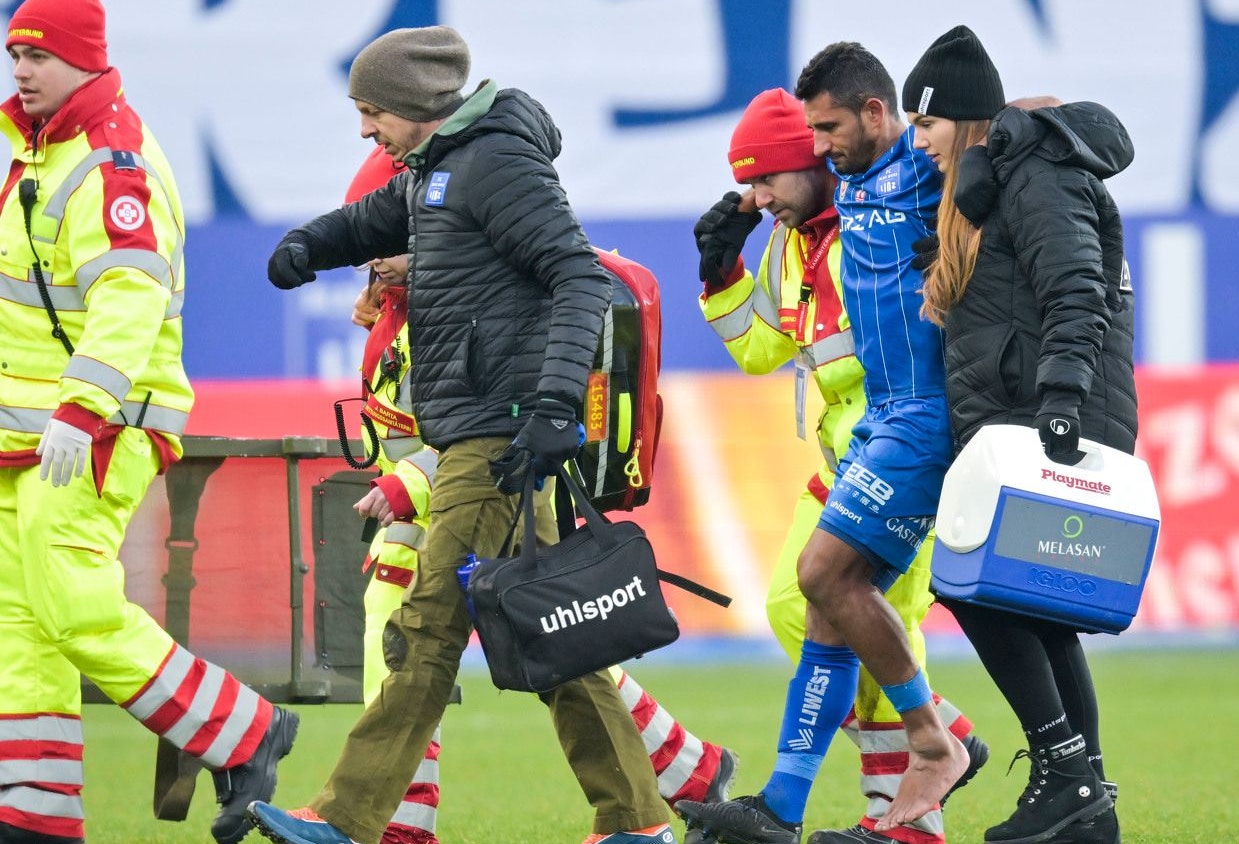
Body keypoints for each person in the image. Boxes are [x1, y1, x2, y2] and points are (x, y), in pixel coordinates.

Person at [246, 26, 678, 844]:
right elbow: (371, 220)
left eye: (372, 111)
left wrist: (555, 407)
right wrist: (310, 245)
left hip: (496, 435)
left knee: (429, 627)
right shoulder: (436, 171)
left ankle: (344, 819)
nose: (365, 130)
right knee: (551, 632)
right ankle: (637, 821)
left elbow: (578, 276)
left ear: (416, 104)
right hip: (490, 432)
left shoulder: (493, 162)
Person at [340, 148, 738, 844]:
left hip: (485, 489)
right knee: (556, 640)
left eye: (386, 238)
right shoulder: (400, 308)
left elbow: (498, 419)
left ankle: (396, 819)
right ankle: (680, 774)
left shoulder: (474, 302)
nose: (370, 256)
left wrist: (411, 480)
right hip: (449, 499)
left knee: (445, 634)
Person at [0, 2, 300, 843]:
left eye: (38, 57)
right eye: (15, 54)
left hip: (92, 429)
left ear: (84, 60)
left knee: (72, 606)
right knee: (22, 623)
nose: (21, 70)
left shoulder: (107, 159)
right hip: (33, 430)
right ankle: (35, 810)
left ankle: (244, 731)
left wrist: (82, 407)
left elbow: (128, 297)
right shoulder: (45, 148)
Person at [675, 43, 969, 844]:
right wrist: (720, 277)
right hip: (849, 460)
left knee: (856, 613)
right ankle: (938, 743)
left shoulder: (877, 224)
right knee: (798, 606)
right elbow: (761, 350)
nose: (755, 197)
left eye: (766, 177)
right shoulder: (792, 243)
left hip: (908, 458)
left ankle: (908, 817)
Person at [903, 25, 1137, 844]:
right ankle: (1086, 801)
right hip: (1020, 414)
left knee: (975, 585)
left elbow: (1077, 286)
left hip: (1050, 415)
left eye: (926, 123)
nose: (918, 141)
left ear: (966, 119)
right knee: (1033, 607)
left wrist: (1062, 400)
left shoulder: (1036, 169)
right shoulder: (991, 185)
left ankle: (1066, 773)